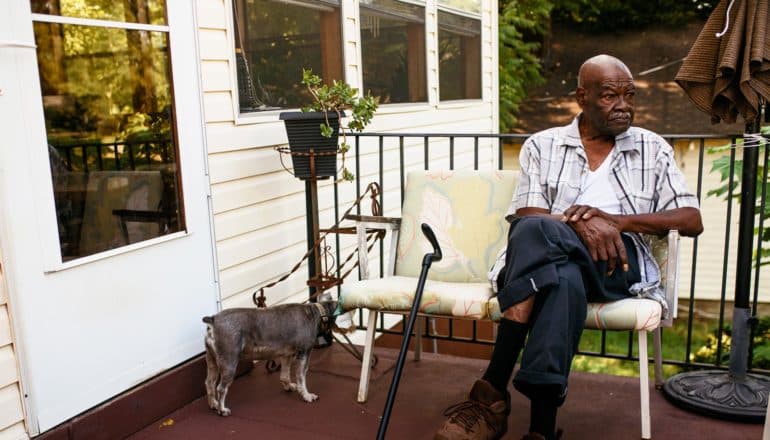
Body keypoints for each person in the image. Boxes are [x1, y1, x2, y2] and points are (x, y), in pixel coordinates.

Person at [434, 54, 704, 440]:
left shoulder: (652, 148)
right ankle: (541, 432)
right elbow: (528, 213)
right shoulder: (542, 146)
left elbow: (692, 219)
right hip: (551, 260)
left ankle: (490, 391)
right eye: (611, 96)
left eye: (630, 95)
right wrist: (584, 226)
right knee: (560, 276)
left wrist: (616, 222)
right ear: (582, 96)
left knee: (535, 234)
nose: (624, 106)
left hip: (616, 266)